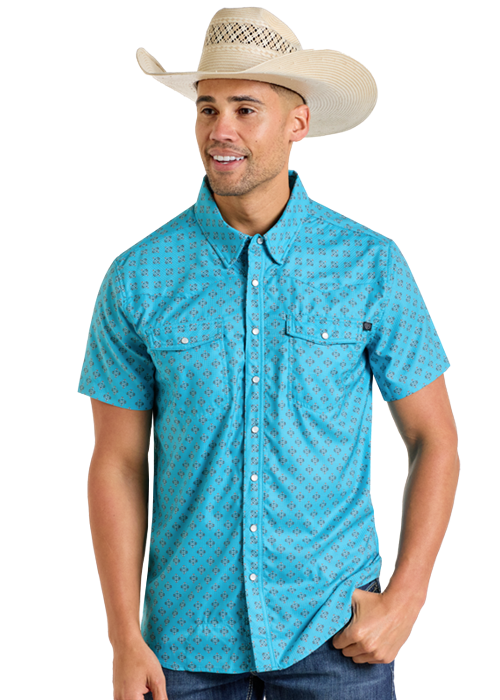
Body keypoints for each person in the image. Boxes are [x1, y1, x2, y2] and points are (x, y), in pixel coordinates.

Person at [78, 7, 460, 700]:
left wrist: (407, 598)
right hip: (182, 645)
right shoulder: (137, 277)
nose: (219, 130)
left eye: (245, 109)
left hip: (336, 636)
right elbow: (118, 461)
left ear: (297, 123)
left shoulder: (370, 264)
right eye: (207, 108)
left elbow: (435, 439)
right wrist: (123, 637)